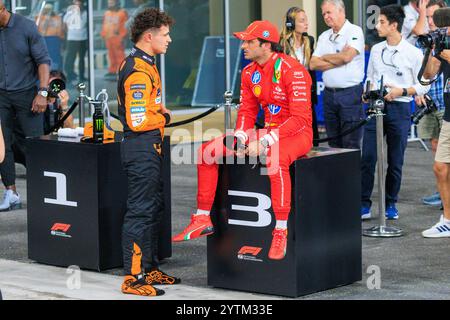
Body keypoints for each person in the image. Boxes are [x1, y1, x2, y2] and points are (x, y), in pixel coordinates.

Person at [173, 20, 313, 261]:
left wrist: (266, 140)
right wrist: (239, 137)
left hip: (297, 134)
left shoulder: (293, 70)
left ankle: (280, 229)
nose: (243, 46)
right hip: (267, 132)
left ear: (266, 44)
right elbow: (248, 111)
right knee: (206, 151)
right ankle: (202, 218)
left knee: (275, 158)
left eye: (249, 41)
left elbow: (300, 119)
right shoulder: (250, 72)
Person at [118, 7, 180, 297]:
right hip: (141, 147)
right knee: (140, 212)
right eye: (165, 35)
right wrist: (163, 118)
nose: (169, 40)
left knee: (153, 208)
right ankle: (133, 277)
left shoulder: (145, 63)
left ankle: (149, 267)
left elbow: (145, 108)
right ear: (149, 36)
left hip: (148, 148)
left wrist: (158, 110)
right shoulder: (138, 70)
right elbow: (137, 120)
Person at [361, 4, 429, 220]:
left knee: (395, 159)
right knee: (368, 157)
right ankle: (364, 204)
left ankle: (391, 203)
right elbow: (370, 77)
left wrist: (403, 90)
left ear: (394, 25)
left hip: (400, 107)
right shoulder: (377, 50)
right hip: (376, 107)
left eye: (382, 22)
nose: (377, 25)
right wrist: (367, 92)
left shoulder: (413, 53)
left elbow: (423, 85)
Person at [0, 1, 51, 211]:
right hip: (1, 96)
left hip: (28, 95)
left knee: (35, 145)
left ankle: (44, 192)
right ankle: (11, 193)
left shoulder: (26, 26)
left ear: (2, 9)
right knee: (2, 147)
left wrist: (43, 93)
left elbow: (43, 61)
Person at [310, 0, 365, 149]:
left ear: (341, 11)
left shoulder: (354, 31)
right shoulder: (323, 36)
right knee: (333, 143)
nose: (326, 17)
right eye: (323, 14)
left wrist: (326, 57)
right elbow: (313, 64)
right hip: (329, 96)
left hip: (350, 94)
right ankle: (337, 173)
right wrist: (339, 57)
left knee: (350, 143)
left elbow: (347, 57)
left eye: (329, 12)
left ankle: (350, 173)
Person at [421, 8, 450, 237]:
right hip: (449, 114)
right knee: (440, 167)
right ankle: (448, 220)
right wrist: (434, 51)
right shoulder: (443, 44)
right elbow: (428, 75)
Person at [416, 0, 447, 207]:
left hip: (445, 104)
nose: (432, 23)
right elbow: (427, 75)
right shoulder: (437, 41)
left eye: (435, 18)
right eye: (428, 18)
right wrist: (434, 50)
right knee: (440, 162)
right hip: (440, 103)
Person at [280, 7, 319, 146]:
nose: (306, 23)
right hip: (288, 95)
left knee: (311, 135)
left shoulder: (310, 40)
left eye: (306, 20)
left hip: (306, 94)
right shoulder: (281, 43)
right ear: (291, 23)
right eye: (302, 21)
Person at [101, 0, 128, 79]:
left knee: (120, 55)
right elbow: (104, 24)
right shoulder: (106, 13)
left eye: (112, 3)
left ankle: (122, 71)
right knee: (111, 55)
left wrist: (122, 37)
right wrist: (103, 34)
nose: (110, 5)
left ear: (117, 3)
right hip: (108, 37)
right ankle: (112, 71)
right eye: (109, 3)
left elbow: (125, 26)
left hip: (118, 38)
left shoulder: (122, 13)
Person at [63, 0, 87, 82]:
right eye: (75, 4)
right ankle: (70, 75)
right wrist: (69, 32)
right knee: (71, 58)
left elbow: (82, 24)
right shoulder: (70, 12)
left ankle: (81, 76)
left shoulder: (85, 13)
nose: (77, 6)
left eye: (79, 4)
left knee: (82, 58)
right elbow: (65, 22)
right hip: (72, 38)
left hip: (82, 38)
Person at [35, 3, 64, 70]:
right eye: (46, 10)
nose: (48, 11)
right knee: (44, 55)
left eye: (49, 10)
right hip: (43, 38)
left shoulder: (57, 18)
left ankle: (55, 69)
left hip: (54, 38)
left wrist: (61, 39)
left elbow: (60, 29)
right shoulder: (40, 17)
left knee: (55, 55)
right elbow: (37, 28)